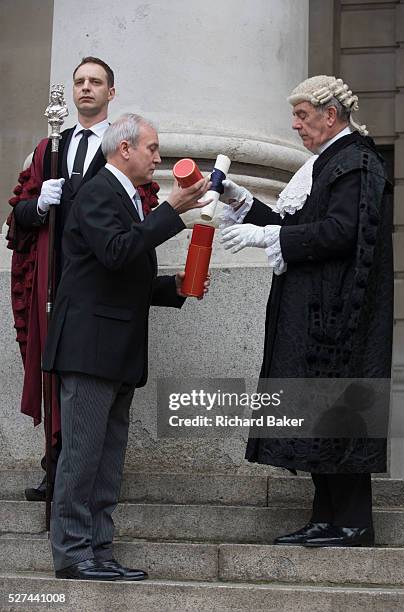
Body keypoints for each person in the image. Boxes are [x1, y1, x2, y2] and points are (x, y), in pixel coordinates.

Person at [220, 75, 393, 547]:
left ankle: (354, 522)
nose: (295, 125)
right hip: (318, 315)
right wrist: (242, 202)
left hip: (342, 319)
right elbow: (293, 222)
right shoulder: (326, 163)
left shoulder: (355, 161)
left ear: (330, 116)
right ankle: (325, 516)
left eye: (302, 115)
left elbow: (340, 231)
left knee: (340, 414)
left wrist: (271, 238)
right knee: (316, 414)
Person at [42, 113, 210, 580]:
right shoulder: (98, 191)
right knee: (81, 457)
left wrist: (171, 287)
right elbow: (116, 251)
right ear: (124, 150)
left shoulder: (129, 197)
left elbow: (120, 274)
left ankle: (99, 549)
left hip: (116, 350)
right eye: (152, 148)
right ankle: (74, 554)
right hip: (89, 349)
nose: (158, 158)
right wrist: (170, 210)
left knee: (107, 460)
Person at [6, 57, 156, 501]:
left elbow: (140, 212)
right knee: (53, 367)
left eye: (96, 82)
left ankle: (84, 470)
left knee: (86, 381)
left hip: (99, 285)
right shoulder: (48, 147)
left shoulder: (122, 148)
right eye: (79, 82)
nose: (85, 89)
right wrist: (38, 206)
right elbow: (18, 214)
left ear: (111, 92)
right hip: (50, 277)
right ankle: (55, 463)